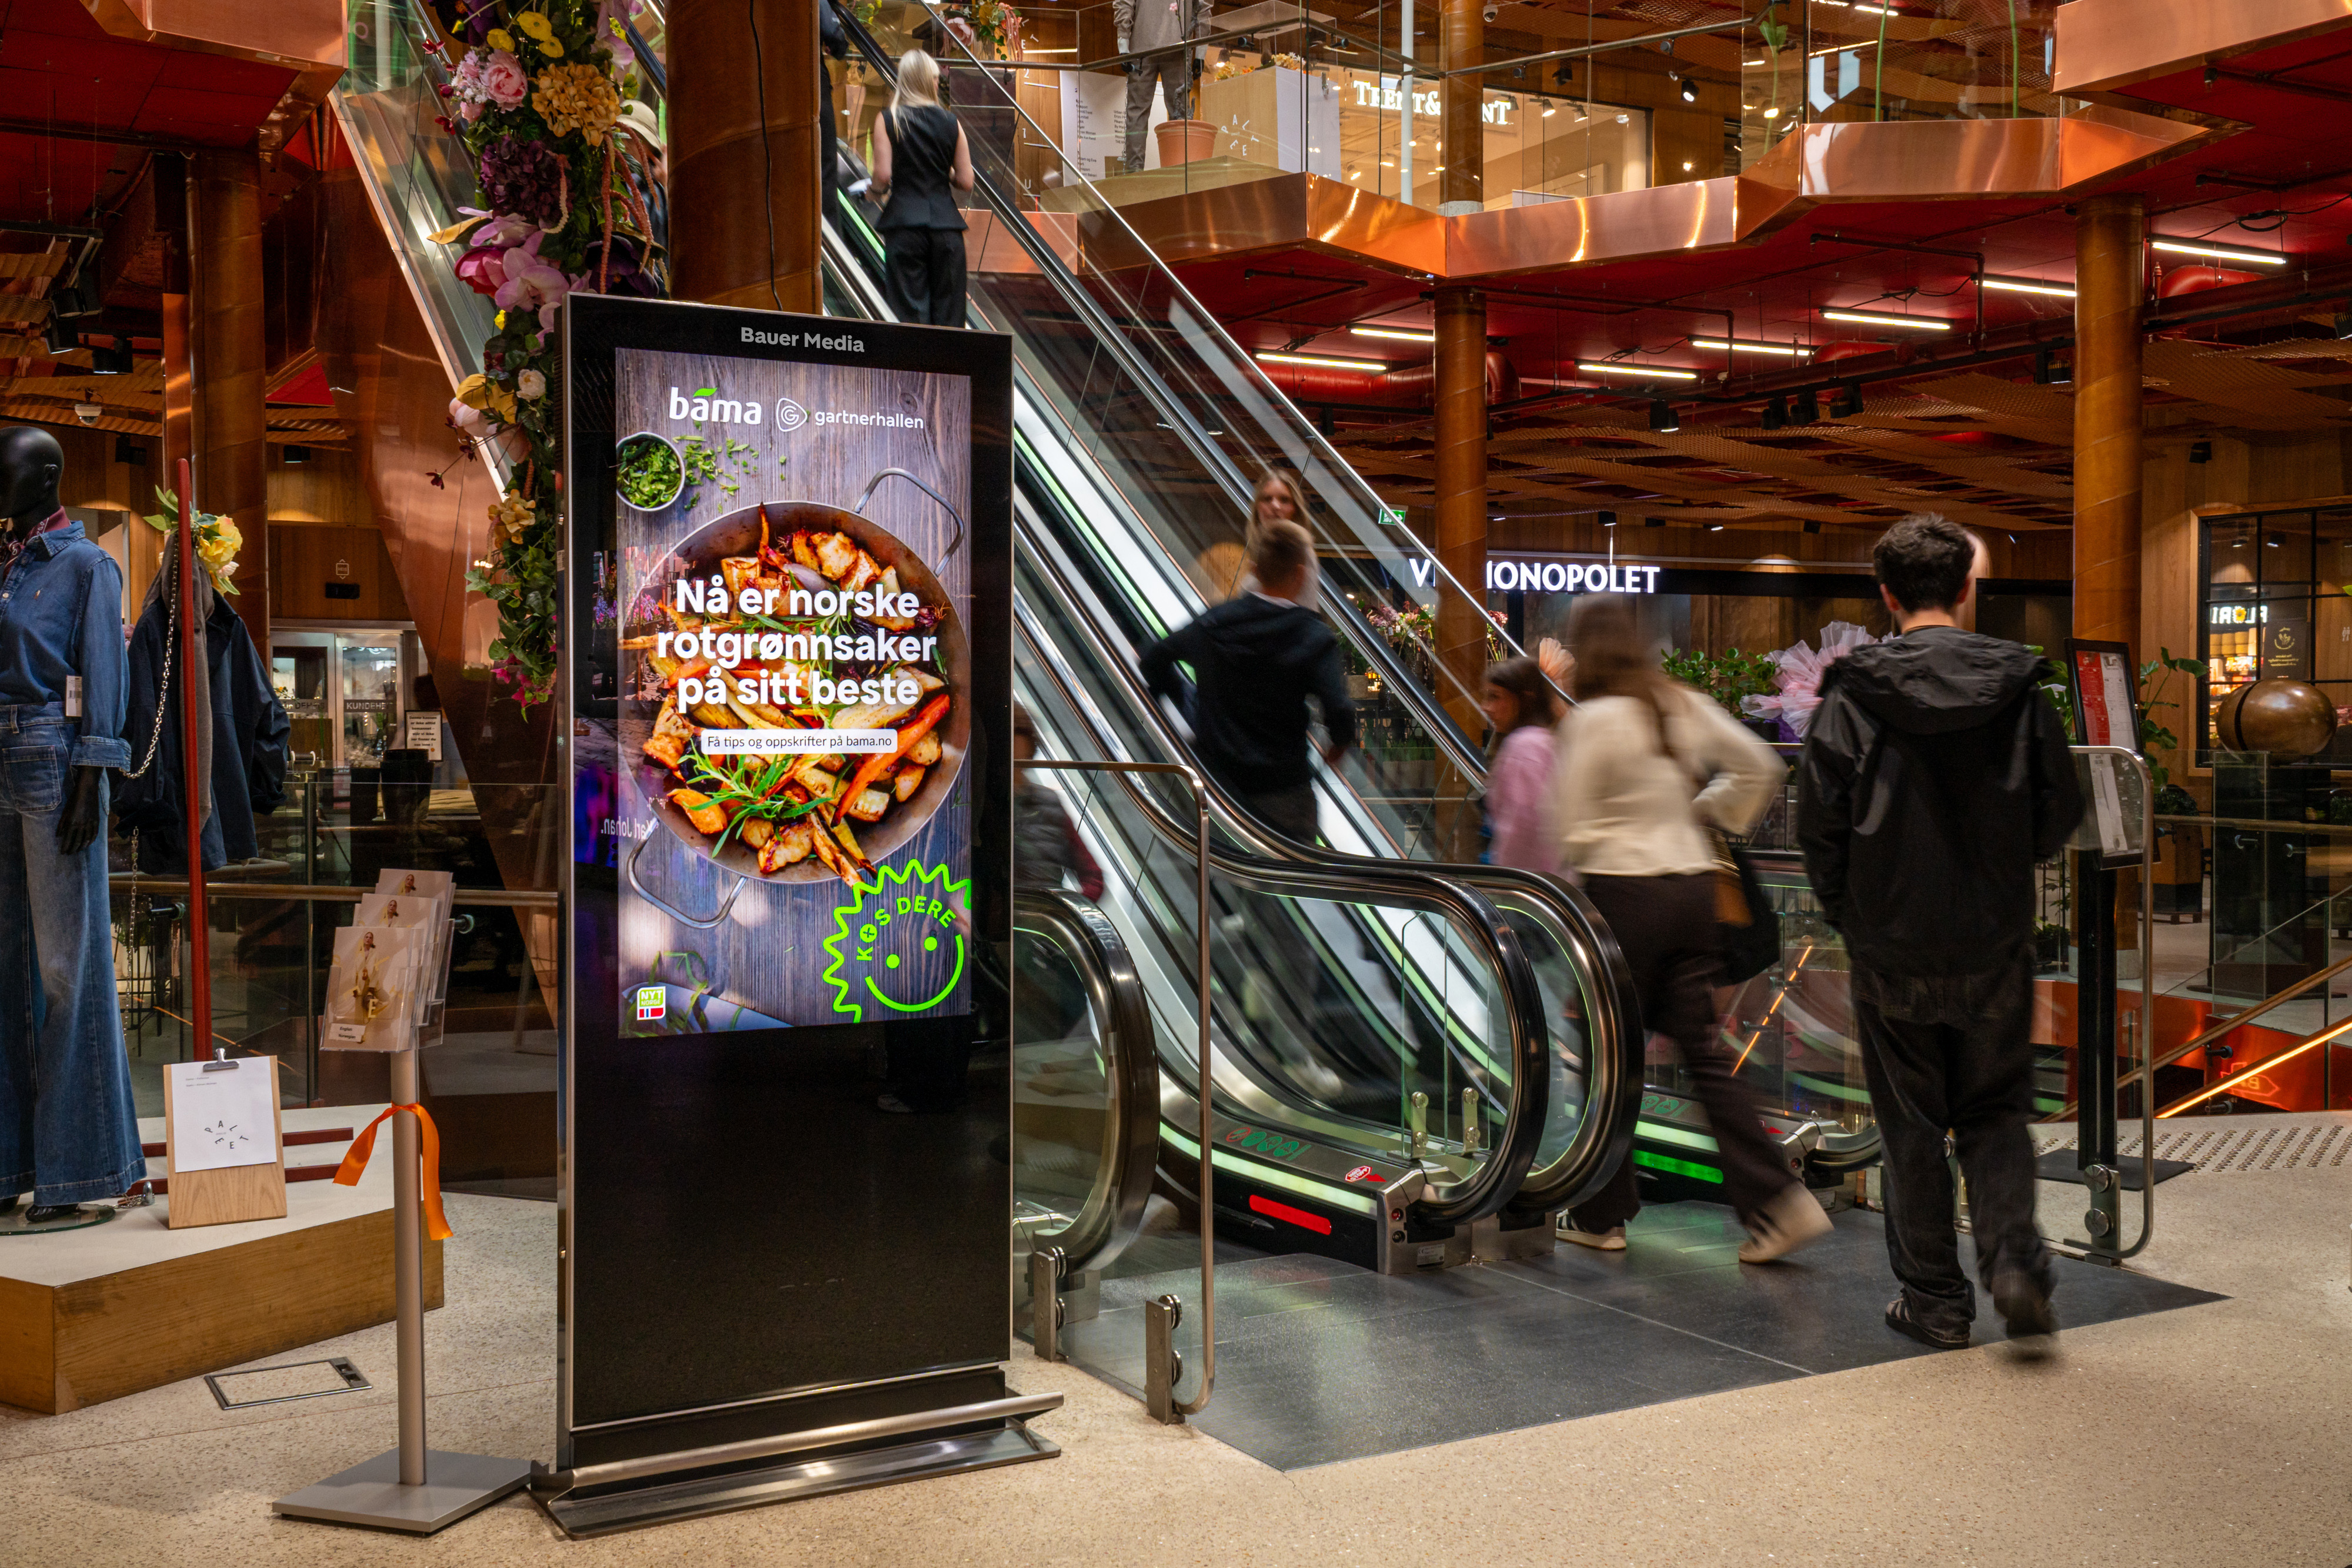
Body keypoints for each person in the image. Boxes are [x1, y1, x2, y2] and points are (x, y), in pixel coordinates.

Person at [1797, 513, 2083, 1353]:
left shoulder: (1854, 694)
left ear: (1886, 595)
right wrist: (2005, 870)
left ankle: (1934, 1301)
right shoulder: (2018, 688)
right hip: (1993, 936)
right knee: (1994, 1110)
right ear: (1966, 588)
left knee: (1911, 1123)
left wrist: (1853, 913)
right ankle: (2015, 1265)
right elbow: (2059, 808)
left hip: (1891, 942)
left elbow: (1820, 823)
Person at [1549, 594, 1830, 1262]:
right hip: (1693, 895)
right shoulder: (1676, 702)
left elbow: (1569, 825)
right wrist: (1702, 812)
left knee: (1607, 1055)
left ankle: (1602, 1214)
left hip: (1624, 899)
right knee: (1704, 1056)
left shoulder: (1591, 720)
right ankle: (1778, 1203)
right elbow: (1762, 765)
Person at [1140, 518, 1354, 841]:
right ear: (1300, 575)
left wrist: (1188, 703)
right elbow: (1339, 710)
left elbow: (1154, 660)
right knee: (1290, 867)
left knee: (1215, 865)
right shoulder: (1313, 635)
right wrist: (1338, 745)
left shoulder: (1214, 623)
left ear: (1254, 570)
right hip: (1285, 792)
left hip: (1216, 788)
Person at [869, 50, 973, 329]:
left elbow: (883, 175)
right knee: (950, 321)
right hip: (946, 229)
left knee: (910, 320)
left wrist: (873, 192)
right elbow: (966, 181)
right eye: (936, 79)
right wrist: (945, 172)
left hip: (904, 226)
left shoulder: (888, 119)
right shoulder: (952, 122)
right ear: (929, 82)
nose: (938, 84)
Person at [1481, 656, 1559, 877]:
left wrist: (1505, 880)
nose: (1486, 707)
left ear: (1524, 699)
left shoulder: (1524, 746)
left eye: (1495, 697)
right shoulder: (1546, 741)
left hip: (1529, 880)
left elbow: (1520, 827)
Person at [1115, 0, 1212, 173]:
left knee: (1137, 113)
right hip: (1177, 46)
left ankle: (1133, 173)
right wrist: (1201, 51)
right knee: (1179, 112)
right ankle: (1181, 172)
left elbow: (1124, 2)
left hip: (1142, 48)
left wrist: (1124, 43)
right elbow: (1203, 6)